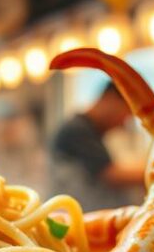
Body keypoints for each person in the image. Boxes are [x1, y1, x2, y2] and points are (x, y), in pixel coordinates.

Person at [50, 82, 144, 212]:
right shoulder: (77, 129)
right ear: (111, 99)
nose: (123, 123)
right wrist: (153, 172)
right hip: (77, 218)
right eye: (127, 113)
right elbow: (111, 174)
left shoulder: (89, 129)